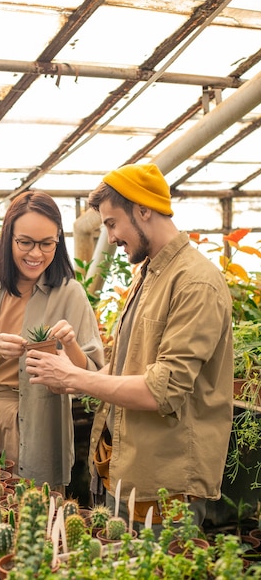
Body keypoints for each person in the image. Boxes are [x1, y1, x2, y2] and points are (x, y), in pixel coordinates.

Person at [26, 163, 233, 532]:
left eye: (111, 223)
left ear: (142, 209)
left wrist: (75, 379)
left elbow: (162, 391)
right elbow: (124, 371)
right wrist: (72, 368)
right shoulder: (149, 274)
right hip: (123, 470)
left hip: (163, 486)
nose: (111, 236)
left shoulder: (196, 283)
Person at [0, 190, 104, 490]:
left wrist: (71, 344)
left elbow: (91, 370)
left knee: (38, 508)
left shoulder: (70, 292)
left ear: (58, 241)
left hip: (40, 418)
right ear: (8, 237)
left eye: (47, 243)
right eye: (25, 243)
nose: (36, 254)